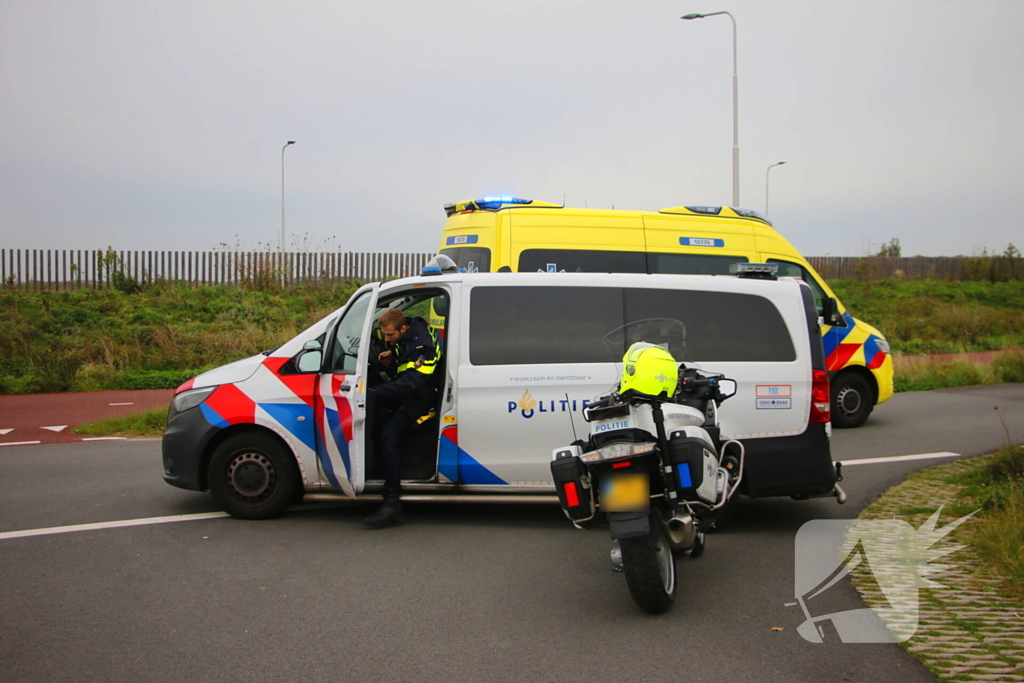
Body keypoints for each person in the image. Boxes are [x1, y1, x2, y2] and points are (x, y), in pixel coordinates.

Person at [364, 308, 441, 527]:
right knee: (377, 418)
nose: (386, 340)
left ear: (403, 328)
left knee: (389, 434)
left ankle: (392, 500)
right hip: (414, 390)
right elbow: (405, 354)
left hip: (424, 397)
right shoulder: (413, 329)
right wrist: (394, 353)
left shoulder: (421, 346)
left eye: (390, 335)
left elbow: (409, 383)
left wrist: (370, 394)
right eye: (384, 336)